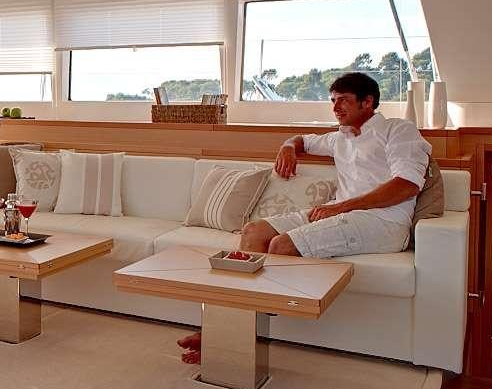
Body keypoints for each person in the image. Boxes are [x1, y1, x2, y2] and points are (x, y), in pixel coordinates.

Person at [179, 72, 430, 362]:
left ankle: (226, 335)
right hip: (341, 213)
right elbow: (301, 140)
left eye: (344, 101)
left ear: (368, 102)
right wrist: (288, 146)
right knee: (253, 232)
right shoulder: (339, 138)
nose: (336, 108)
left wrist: (341, 207)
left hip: (383, 222)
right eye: (333, 101)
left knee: (280, 246)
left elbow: (407, 185)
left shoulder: (398, 130)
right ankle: (227, 327)